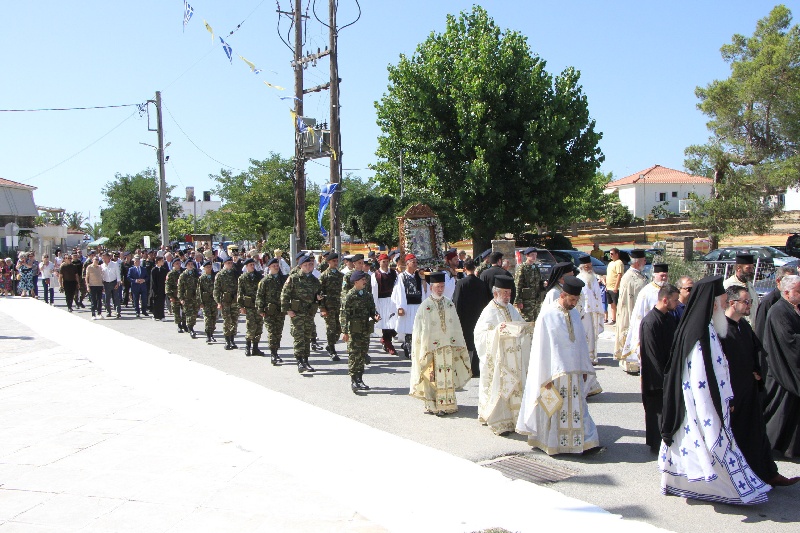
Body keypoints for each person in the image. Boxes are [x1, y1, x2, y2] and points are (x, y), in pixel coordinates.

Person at [659, 276, 771, 505]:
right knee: (707, 446)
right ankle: (727, 490)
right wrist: (715, 401)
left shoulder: (708, 326)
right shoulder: (698, 333)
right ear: (711, 303)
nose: (722, 306)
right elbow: (698, 375)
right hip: (701, 403)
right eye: (720, 302)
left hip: (708, 400)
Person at [721, 285, 799, 486]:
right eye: (746, 302)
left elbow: (758, 349)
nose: (750, 305)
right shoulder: (721, 330)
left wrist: (758, 371)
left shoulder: (743, 326)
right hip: (734, 394)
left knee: (757, 434)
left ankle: (768, 473)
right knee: (738, 438)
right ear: (732, 303)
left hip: (750, 390)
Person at [516, 277, 600, 455]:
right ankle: (553, 443)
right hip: (554, 376)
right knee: (555, 410)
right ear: (562, 295)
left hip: (574, 374)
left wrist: (584, 367)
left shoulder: (575, 314)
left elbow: (580, 344)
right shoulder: (547, 315)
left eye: (576, 300)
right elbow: (541, 349)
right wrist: (544, 376)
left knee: (579, 408)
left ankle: (584, 442)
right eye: (571, 300)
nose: (574, 303)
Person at [474, 275, 533, 435]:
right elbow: (480, 336)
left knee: (514, 388)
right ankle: (498, 420)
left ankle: (514, 419)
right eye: (505, 293)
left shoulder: (511, 309)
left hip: (513, 360)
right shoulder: (489, 311)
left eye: (509, 293)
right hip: (499, 360)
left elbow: (520, 324)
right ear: (496, 294)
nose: (508, 296)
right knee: (500, 388)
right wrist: (498, 332)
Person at [409, 271, 471, 415]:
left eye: (442, 286)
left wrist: (457, 343)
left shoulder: (449, 304)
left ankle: (447, 404)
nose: (440, 289)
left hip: (447, 348)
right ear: (431, 287)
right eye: (437, 286)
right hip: (431, 348)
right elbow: (419, 330)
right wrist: (422, 347)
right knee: (432, 376)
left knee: (446, 376)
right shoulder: (425, 306)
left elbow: (456, 325)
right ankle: (432, 404)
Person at [762, 274, 800, 460]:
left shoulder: (792, 309)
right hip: (781, 370)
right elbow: (788, 340)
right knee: (780, 412)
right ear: (786, 292)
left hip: (789, 368)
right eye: (798, 291)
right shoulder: (778, 311)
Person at [639, 283, 679, 452]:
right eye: (675, 300)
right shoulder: (650, 322)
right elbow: (651, 355)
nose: (677, 303)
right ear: (665, 300)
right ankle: (656, 444)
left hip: (668, 373)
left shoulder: (669, 318)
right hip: (656, 378)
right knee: (656, 411)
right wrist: (663, 379)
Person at [619, 262, 669, 374]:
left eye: (666, 275)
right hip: (650, 331)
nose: (664, 278)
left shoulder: (670, 290)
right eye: (662, 275)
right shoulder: (646, 292)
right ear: (655, 275)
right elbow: (638, 315)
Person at [281, 254, 323, 372]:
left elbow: (318, 294)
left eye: (310, 264)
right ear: (300, 266)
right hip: (297, 312)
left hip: (309, 312)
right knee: (299, 337)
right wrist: (288, 310)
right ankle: (299, 361)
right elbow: (284, 295)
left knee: (307, 337)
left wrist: (319, 298)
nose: (309, 267)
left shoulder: (314, 280)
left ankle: (306, 360)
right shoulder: (294, 278)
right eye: (306, 265)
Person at [341, 270, 380, 392]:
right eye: (363, 280)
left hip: (365, 329)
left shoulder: (367, 295)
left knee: (362, 354)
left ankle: (360, 378)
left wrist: (375, 316)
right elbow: (343, 315)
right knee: (354, 354)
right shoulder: (349, 296)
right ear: (356, 281)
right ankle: (354, 380)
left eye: (365, 280)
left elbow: (372, 311)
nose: (365, 282)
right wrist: (345, 332)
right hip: (353, 330)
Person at [753, 265, 796, 370]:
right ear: (778, 282)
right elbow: (761, 333)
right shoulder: (769, 302)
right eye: (789, 281)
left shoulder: (794, 300)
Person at [453, 259, 489, 377]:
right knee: (476, 341)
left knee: (466, 343)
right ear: (475, 268)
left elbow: (457, 301)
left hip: (465, 316)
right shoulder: (481, 283)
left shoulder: (461, 283)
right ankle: (476, 368)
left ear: (464, 269)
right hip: (479, 315)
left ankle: (465, 368)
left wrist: (456, 317)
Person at [613, 249, 648, 370]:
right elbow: (626, 299)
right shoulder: (629, 277)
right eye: (644, 260)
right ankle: (630, 364)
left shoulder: (640, 275)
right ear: (638, 262)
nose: (646, 262)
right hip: (630, 311)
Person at [391, 254, 427, 359]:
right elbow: (399, 292)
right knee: (409, 329)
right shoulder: (402, 276)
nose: (415, 265)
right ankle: (409, 347)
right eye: (413, 262)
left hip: (418, 305)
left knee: (418, 328)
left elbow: (424, 290)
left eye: (416, 262)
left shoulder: (418, 276)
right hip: (408, 305)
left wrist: (423, 279)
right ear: (407, 263)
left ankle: (415, 348)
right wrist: (400, 307)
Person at [256, 257, 286, 364]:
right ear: (269, 267)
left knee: (278, 332)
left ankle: (276, 351)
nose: (276, 267)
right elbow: (260, 296)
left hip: (280, 310)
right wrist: (260, 309)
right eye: (274, 266)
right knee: (272, 332)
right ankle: (273, 354)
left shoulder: (283, 279)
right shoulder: (265, 281)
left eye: (277, 266)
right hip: (269, 311)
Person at [576, 255, 604, 365]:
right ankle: (585, 357)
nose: (589, 269)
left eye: (590, 266)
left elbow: (597, 293)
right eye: (587, 267)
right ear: (582, 267)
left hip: (594, 310)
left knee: (593, 335)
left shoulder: (593, 278)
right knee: (585, 334)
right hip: (584, 311)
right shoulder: (579, 278)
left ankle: (592, 356)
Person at [371, 253, 399, 355]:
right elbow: (374, 291)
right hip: (382, 301)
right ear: (379, 262)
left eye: (387, 261)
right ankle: (388, 344)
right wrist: (375, 306)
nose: (386, 264)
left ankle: (384, 339)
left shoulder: (394, 273)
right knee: (386, 324)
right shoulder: (376, 275)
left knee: (395, 323)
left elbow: (397, 286)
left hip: (392, 300)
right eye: (384, 262)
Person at [318, 253, 343, 360]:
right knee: (331, 328)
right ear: (328, 262)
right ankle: (332, 349)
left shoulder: (341, 275)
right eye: (333, 261)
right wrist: (322, 308)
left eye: (337, 261)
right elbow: (319, 293)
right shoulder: (324, 276)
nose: (336, 263)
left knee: (339, 328)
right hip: (328, 306)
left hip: (339, 306)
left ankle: (330, 344)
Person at [722, 253, 759, 326]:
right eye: (748, 268)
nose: (751, 271)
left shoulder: (750, 285)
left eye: (752, 268)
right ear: (738, 268)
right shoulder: (727, 285)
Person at [238, 258, 264, 356]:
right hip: (249, 305)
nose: (252, 266)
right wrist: (241, 306)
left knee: (259, 327)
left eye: (253, 264)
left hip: (258, 305)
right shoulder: (243, 278)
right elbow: (240, 293)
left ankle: (256, 348)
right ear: (247, 266)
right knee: (251, 326)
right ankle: (248, 346)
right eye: (250, 265)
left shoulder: (259, 276)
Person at [214, 257, 240, 350]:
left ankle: (232, 339)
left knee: (234, 320)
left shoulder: (235, 273)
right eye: (228, 263)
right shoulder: (220, 275)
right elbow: (216, 290)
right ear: (224, 264)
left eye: (231, 263)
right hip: (225, 301)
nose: (230, 264)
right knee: (227, 321)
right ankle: (227, 340)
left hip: (234, 300)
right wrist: (218, 302)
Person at [513, 247, 544, 323]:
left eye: (535, 255)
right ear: (527, 256)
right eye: (532, 255)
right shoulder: (522, 268)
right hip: (526, 300)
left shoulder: (535, 267)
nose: (534, 257)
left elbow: (539, 282)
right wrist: (518, 301)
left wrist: (543, 284)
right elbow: (518, 285)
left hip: (536, 300)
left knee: (536, 321)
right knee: (527, 321)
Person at [197, 261, 218, 344]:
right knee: (207, 318)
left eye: (210, 267)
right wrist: (200, 302)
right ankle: (208, 335)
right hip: (206, 301)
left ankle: (212, 333)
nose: (209, 268)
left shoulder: (215, 277)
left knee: (214, 318)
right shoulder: (202, 278)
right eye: (207, 267)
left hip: (214, 301)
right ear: (204, 268)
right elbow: (199, 291)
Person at [605, 248, 624, 324]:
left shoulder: (619, 263)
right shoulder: (610, 263)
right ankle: (614, 319)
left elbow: (619, 275)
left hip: (615, 288)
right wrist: (606, 285)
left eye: (612, 254)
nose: (610, 255)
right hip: (609, 287)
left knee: (617, 305)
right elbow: (608, 275)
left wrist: (616, 287)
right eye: (610, 254)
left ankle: (620, 320)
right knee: (612, 305)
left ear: (617, 254)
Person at [100, 252, 121, 318]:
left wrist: (118, 283)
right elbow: (101, 276)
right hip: (106, 283)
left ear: (109, 257)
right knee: (107, 299)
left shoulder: (114, 264)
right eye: (103, 258)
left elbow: (118, 274)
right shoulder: (102, 266)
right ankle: (108, 312)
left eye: (105, 258)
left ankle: (118, 312)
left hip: (114, 282)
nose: (104, 259)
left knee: (116, 298)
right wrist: (102, 285)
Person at [166, 258, 185, 332]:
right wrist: (170, 296)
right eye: (177, 263)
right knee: (176, 311)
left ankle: (184, 324)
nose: (179, 265)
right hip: (175, 295)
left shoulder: (183, 272)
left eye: (179, 263)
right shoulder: (171, 273)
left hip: (183, 295)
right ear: (173, 264)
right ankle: (179, 325)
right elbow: (167, 286)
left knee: (184, 310)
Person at [149, 256, 168, 321]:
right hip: (156, 290)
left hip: (162, 289)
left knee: (162, 303)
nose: (163, 262)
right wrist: (154, 290)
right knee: (156, 303)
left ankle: (162, 316)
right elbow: (153, 281)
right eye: (162, 261)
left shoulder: (164, 270)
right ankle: (155, 315)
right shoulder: (154, 270)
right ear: (158, 261)